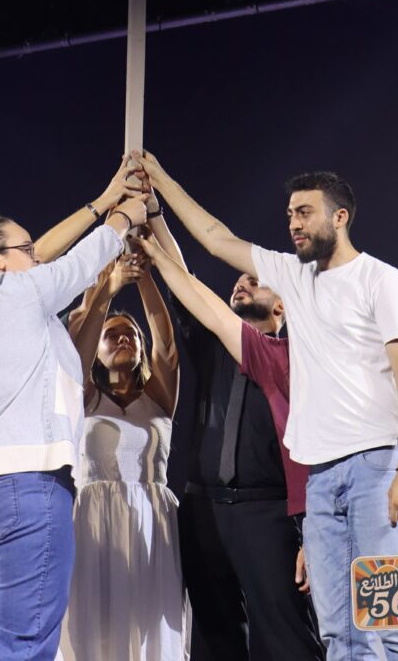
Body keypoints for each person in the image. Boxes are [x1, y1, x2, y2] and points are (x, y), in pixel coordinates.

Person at [133, 154, 398, 660]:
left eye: (305, 213)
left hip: (376, 470)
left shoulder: (381, 280)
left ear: (340, 217)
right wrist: (159, 184)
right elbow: (215, 238)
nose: (294, 223)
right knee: (340, 633)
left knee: (392, 623)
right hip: (320, 484)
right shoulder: (292, 276)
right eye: (290, 214)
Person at [0, 160, 141, 661]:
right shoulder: (22, 294)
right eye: (25, 249)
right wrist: (124, 216)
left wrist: (101, 199)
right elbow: (80, 261)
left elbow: (43, 256)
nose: (39, 254)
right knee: (23, 647)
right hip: (21, 485)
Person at [160, 262, 322, 659]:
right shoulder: (210, 340)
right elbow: (182, 279)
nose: (242, 283)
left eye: (256, 280)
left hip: (268, 513)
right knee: (216, 638)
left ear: (281, 307)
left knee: (287, 636)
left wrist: (313, 530)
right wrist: (154, 228)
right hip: (203, 512)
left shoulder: (301, 361)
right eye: (240, 279)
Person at [60, 194, 190, 661]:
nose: (122, 339)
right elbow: (81, 333)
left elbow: (166, 343)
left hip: (153, 520)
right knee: (96, 629)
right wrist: (109, 286)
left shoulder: (158, 399)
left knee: (148, 627)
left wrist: (145, 275)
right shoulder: (84, 395)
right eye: (111, 335)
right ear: (97, 350)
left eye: (129, 335)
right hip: (93, 521)